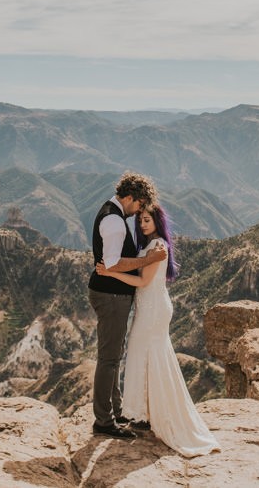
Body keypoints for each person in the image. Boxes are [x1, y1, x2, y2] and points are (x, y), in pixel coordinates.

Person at [96, 205, 220, 457]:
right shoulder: (152, 245)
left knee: (145, 356)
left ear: (157, 222)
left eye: (147, 220)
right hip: (149, 307)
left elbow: (142, 281)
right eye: (140, 220)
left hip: (152, 310)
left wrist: (111, 272)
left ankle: (155, 413)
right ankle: (148, 412)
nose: (142, 224)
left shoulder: (157, 246)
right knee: (147, 357)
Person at [89, 172, 166, 439]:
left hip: (113, 295)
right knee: (109, 359)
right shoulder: (114, 221)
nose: (139, 212)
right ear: (130, 197)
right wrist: (148, 259)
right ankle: (104, 421)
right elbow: (111, 264)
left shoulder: (114, 215)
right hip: (110, 296)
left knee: (112, 356)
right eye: (139, 206)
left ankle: (116, 411)